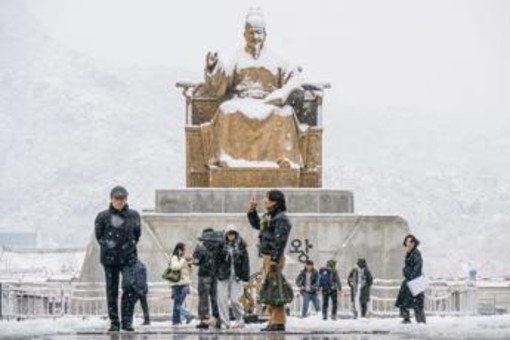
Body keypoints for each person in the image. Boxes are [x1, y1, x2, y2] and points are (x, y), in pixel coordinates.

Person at [201, 8, 305, 169]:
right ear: (244, 34)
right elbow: (221, 82)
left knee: (285, 114)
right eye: (251, 33)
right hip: (242, 101)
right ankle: (226, 158)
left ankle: (284, 159)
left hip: (268, 102)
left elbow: (296, 77)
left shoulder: (277, 58)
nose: (255, 37)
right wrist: (212, 66)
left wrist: (283, 93)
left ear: (265, 35)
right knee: (226, 109)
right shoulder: (235, 57)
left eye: (258, 33)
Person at [95, 185, 141, 332]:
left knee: (129, 287)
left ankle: (127, 322)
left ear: (126, 199)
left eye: (122, 198)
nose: (120, 201)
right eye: (117, 198)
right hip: (110, 260)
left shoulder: (134, 215)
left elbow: (137, 235)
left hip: (129, 258)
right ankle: (115, 322)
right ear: (111, 199)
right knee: (111, 291)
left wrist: (127, 248)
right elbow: (99, 236)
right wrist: (110, 246)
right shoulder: (102, 217)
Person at [247, 189, 292, 332]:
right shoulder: (271, 216)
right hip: (268, 256)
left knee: (274, 288)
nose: (265, 201)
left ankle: (278, 322)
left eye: (268, 199)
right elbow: (257, 225)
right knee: (270, 289)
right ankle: (273, 320)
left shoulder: (281, 218)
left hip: (274, 257)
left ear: (275, 202)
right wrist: (252, 209)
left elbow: (280, 241)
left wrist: (274, 259)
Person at [215, 225, 250, 329]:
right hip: (223, 276)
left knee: (236, 300)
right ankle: (225, 322)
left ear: (236, 235)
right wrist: (217, 273)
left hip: (236, 276)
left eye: (233, 234)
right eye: (229, 234)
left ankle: (240, 319)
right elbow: (216, 261)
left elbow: (245, 262)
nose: (231, 236)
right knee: (222, 299)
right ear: (226, 235)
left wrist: (245, 276)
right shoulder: (221, 246)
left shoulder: (241, 246)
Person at [193, 228, 222, 329]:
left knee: (203, 298)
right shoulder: (218, 246)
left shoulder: (201, 247)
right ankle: (217, 319)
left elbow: (196, 261)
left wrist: (196, 252)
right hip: (215, 275)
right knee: (215, 298)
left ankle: (204, 320)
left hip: (204, 274)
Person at [395, 234, 426, 324]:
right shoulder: (409, 252)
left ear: (414, 243)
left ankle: (420, 321)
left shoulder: (416, 253)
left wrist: (410, 275)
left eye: (410, 241)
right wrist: (405, 271)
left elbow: (417, 267)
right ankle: (406, 318)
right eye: (407, 241)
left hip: (415, 280)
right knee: (403, 299)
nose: (408, 243)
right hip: (410, 279)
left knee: (418, 303)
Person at [169, 242, 194, 326]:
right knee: (177, 304)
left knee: (177, 304)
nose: (185, 251)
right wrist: (183, 261)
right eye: (184, 249)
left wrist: (190, 266)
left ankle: (186, 316)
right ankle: (176, 321)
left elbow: (189, 273)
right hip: (176, 284)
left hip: (184, 284)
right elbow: (174, 267)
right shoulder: (174, 258)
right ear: (179, 250)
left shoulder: (184, 259)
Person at [133, 260, 150, 325]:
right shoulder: (142, 265)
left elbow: (135, 278)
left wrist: (134, 287)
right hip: (143, 288)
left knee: (129, 305)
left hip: (137, 289)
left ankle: (127, 320)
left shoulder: (134, 266)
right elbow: (144, 278)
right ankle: (147, 320)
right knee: (144, 305)